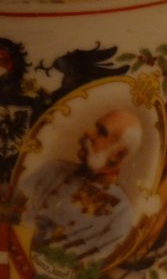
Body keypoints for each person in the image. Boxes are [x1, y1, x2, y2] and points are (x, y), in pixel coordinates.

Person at [21, 109, 143, 268]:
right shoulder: (52, 169)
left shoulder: (121, 213)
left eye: (101, 132)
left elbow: (91, 267)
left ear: (117, 155)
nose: (89, 132)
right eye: (95, 127)